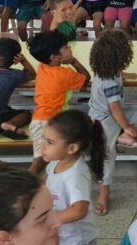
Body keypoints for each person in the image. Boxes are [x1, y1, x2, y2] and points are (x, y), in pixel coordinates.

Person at [40, 110, 112, 245]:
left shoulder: (75, 174)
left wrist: (49, 220)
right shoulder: (54, 164)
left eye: (50, 142)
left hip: (77, 241)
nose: (43, 146)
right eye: (44, 140)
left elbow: (79, 210)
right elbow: (43, 187)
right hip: (62, 237)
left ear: (72, 148)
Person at [87, 30, 137, 214]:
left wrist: (122, 74)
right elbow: (114, 108)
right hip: (103, 120)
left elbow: (116, 109)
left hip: (112, 117)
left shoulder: (106, 70)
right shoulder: (110, 82)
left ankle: (123, 136)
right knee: (107, 154)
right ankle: (104, 191)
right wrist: (127, 126)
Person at [27, 30, 91, 175]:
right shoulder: (64, 75)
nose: (69, 48)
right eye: (66, 47)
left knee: (47, 159)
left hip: (41, 120)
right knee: (40, 162)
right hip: (48, 123)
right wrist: (74, 61)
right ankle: (25, 184)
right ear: (54, 57)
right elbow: (85, 78)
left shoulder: (43, 67)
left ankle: (40, 181)